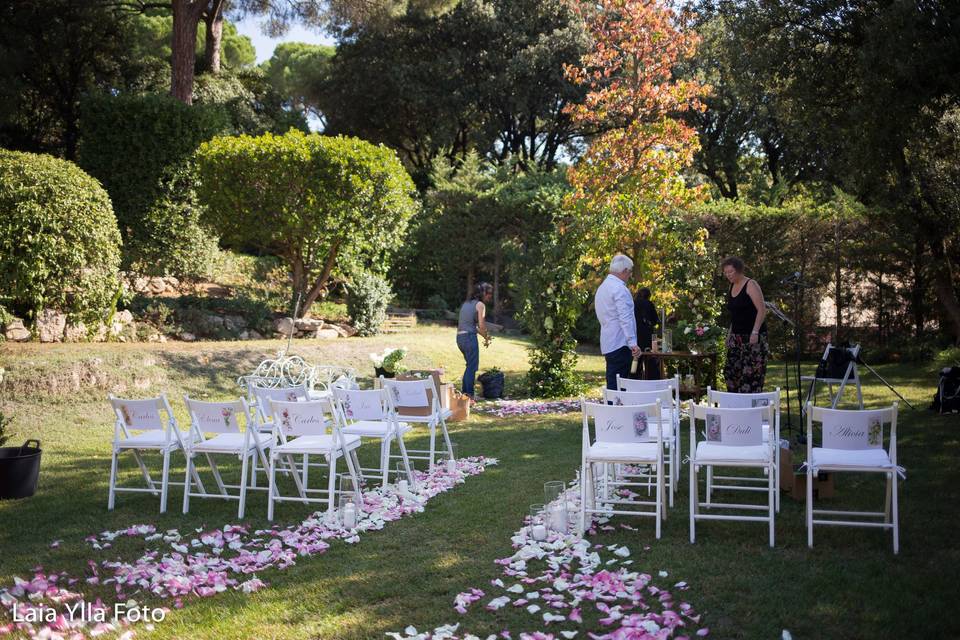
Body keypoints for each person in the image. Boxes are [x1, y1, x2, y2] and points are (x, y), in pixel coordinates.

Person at [721, 256, 768, 392]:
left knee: (750, 376)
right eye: (726, 273)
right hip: (737, 338)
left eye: (731, 272)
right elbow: (735, 315)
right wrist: (729, 335)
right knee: (731, 374)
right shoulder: (731, 286)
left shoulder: (751, 285)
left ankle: (750, 410)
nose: (728, 275)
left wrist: (755, 332)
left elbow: (762, 310)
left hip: (753, 338)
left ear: (739, 270)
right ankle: (735, 409)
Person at [595, 254, 641, 390]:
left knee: (613, 384)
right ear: (624, 271)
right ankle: (615, 410)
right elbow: (625, 318)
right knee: (620, 387)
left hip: (608, 342)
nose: (630, 276)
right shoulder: (620, 289)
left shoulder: (603, 288)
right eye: (630, 272)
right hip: (621, 343)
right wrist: (633, 343)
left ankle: (611, 409)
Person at [456, 282, 493, 399]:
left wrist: (485, 337)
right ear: (483, 293)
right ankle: (469, 395)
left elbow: (474, 327)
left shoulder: (466, 304)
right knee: (472, 367)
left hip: (460, 338)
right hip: (469, 338)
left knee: (469, 366)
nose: (490, 296)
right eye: (489, 293)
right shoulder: (480, 305)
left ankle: (465, 394)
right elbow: (481, 327)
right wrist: (487, 337)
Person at [634, 287, 660, 379]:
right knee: (649, 358)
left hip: (635, 335)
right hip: (647, 335)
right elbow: (655, 320)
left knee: (636, 359)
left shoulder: (633, 303)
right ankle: (651, 379)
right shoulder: (649, 304)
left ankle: (635, 378)